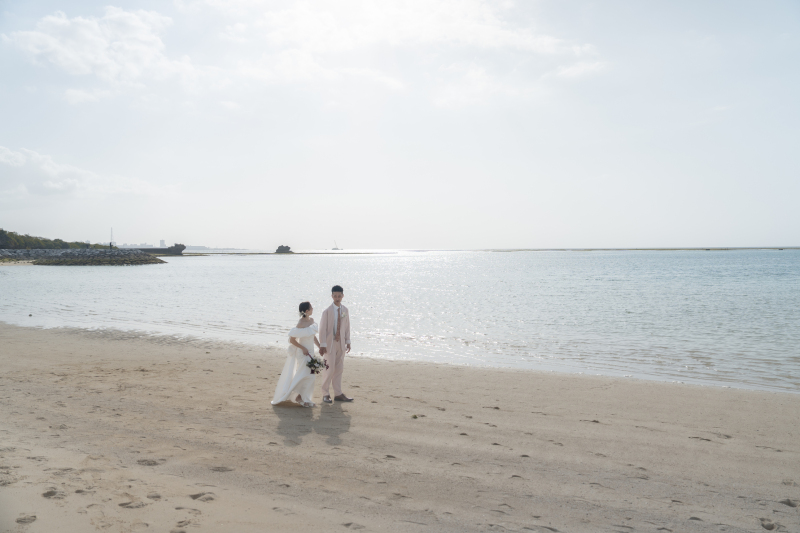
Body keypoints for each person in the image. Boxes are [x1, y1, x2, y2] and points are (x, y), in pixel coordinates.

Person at [271, 301, 320, 408]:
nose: (313, 309)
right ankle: (298, 396)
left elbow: (312, 335)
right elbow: (291, 340)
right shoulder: (300, 324)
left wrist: (319, 346)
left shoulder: (312, 321)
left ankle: (301, 397)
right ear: (306, 311)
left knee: (310, 376)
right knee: (305, 375)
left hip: (311, 351)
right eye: (311, 308)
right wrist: (303, 348)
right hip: (303, 353)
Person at [319, 285, 352, 403]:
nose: (337, 298)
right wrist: (322, 345)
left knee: (339, 369)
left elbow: (347, 327)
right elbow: (322, 329)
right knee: (329, 368)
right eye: (335, 296)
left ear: (342, 296)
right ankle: (325, 393)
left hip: (341, 343)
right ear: (332, 296)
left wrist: (348, 342)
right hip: (330, 344)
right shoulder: (327, 312)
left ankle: (338, 394)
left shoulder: (345, 310)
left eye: (339, 296)